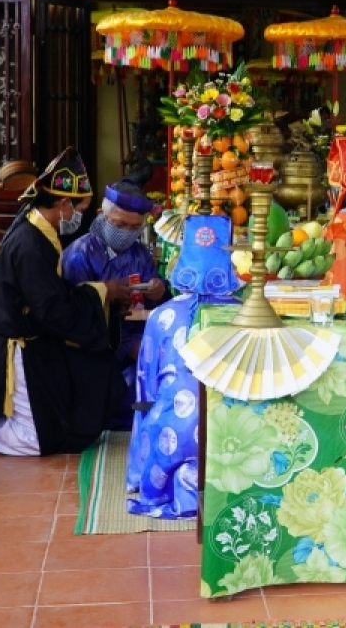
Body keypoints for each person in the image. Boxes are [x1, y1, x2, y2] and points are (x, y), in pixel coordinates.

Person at [0, 148, 133, 456]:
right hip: (16, 350)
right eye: (81, 208)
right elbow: (52, 310)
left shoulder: (39, 231)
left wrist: (101, 291)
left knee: (60, 425)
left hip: (32, 342)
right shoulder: (31, 244)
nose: (80, 217)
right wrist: (101, 294)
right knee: (35, 439)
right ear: (64, 203)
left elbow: (52, 295)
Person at [127, 214, 240, 519]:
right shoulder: (246, 316)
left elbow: (145, 388)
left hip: (172, 438)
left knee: (155, 406)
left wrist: (137, 471)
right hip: (229, 436)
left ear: (183, 260)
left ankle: (157, 479)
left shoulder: (161, 316)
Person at [62, 178, 170, 373]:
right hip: (93, 358)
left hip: (140, 348)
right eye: (120, 225)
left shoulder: (139, 253)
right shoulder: (80, 255)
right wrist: (126, 346)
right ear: (102, 215)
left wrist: (159, 289)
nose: (127, 233)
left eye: (135, 228)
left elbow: (153, 305)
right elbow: (75, 316)